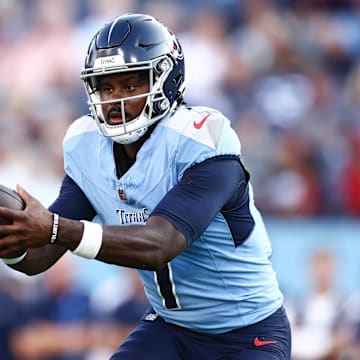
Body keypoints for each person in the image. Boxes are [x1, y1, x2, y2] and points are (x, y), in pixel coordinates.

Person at [0, 13, 291, 360]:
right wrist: (12, 238)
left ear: (166, 80)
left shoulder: (203, 140)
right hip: (172, 328)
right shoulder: (86, 145)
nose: (115, 100)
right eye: (107, 87)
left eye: (130, 84)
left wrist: (56, 228)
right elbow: (40, 255)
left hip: (247, 333)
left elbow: (160, 244)